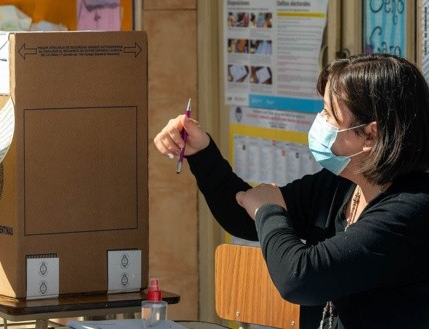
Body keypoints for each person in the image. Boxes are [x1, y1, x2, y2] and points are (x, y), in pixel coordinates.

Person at [154, 53, 429, 329]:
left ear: (370, 135)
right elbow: (244, 217)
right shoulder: (342, 185)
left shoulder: (410, 210)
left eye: (329, 115)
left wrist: (268, 210)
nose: (319, 122)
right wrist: (202, 153)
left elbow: (299, 279)